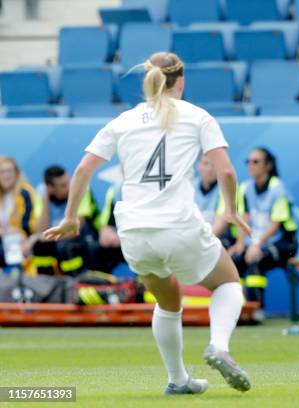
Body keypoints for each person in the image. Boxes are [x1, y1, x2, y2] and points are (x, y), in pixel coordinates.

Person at [43, 52, 252, 395]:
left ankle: (178, 379)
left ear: (147, 79)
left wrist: (69, 217)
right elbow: (226, 170)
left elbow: (82, 170)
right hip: (178, 225)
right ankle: (219, 346)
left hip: (135, 233)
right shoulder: (197, 116)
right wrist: (229, 210)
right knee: (228, 283)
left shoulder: (122, 121)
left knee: (168, 303)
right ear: (181, 82)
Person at [229, 147, 298, 312]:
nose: (250, 165)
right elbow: (243, 218)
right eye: (248, 162)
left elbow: (275, 224)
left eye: (256, 161)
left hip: (283, 242)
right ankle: (238, 308)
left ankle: (256, 309)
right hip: (254, 241)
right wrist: (240, 243)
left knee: (256, 259)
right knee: (235, 259)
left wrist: (257, 244)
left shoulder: (277, 188)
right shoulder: (245, 188)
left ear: (268, 165)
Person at [32, 165, 99, 276]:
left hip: (86, 236)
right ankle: (45, 286)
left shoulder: (80, 188)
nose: (68, 187)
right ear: (50, 188)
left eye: (68, 182)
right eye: (63, 185)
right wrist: (45, 201)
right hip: (57, 236)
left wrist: (45, 236)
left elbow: (74, 230)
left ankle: (75, 285)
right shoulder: (41, 192)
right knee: (39, 247)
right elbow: (40, 230)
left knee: (65, 247)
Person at [0, 156, 36, 273]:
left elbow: (33, 225)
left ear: (16, 173)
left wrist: (25, 238)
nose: (6, 176)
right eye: (2, 172)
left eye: (9, 171)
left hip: (23, 242)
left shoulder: (26, 192)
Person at [195, 154, 235, 248]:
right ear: (199, 166)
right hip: (194, 238)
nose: (209, 169)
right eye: (205, 164)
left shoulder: (227, 188)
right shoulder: (190, 186)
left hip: (218, 239)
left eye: (213, 165)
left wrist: (198, 244)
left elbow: (220, 225)